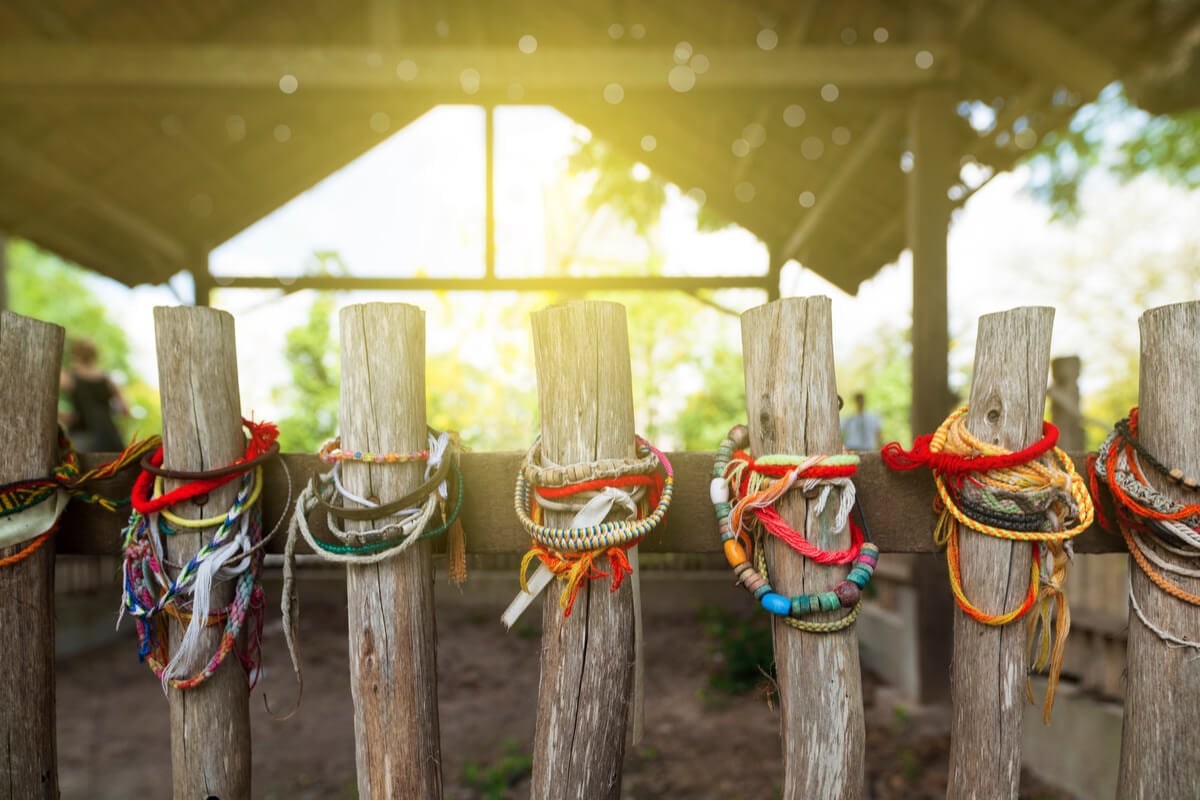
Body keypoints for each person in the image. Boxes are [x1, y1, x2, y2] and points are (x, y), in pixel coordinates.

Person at [60, 338, 129, 452]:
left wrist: (62, 416)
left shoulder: (68, 377)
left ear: (73, 354)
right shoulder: (107, 379)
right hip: (110, 437)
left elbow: (45, 400)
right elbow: (126, 410)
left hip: (82, 436)